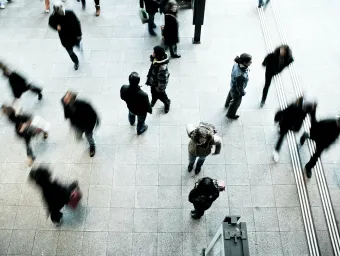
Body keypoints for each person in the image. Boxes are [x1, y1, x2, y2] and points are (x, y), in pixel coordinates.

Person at [273, 97, 316, 162]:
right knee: (282, 136)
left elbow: (313, 117)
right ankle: (276, 151)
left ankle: (280, 127)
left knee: (287, 132)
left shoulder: (311, 107)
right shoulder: (294, 106)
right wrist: (278, 119)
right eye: (305, 110)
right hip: (286, 122)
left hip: (295, 124)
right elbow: (284, 112)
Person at [300, 112, 340, 178]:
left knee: (316, 156)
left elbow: (334, 137)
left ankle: (308, 166)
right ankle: (305, 135)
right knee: (311, 138)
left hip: (323, 143)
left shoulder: (338, 128)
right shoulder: (329, 122)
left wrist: (327, 145)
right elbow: (317, 126)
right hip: (318, 136)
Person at [61, 91, 99, 157]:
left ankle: (92, 146)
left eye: (67, 98)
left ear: (73, 99)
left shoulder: (84, 104)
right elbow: (67, 113)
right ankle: (81, 137)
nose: (65, 99)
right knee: (78, 136)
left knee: (89, 136)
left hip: (87, 124)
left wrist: (94, 123)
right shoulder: (64, 102)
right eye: (65, 97)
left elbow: (93, 114)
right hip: (76, 125)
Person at [48, 2, 83, 70]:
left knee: (77, 44)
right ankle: (76, 62)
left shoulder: (70, 13)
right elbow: (50, 23)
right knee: (70, 52)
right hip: (65, 39)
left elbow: (77, 23)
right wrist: (56, 27)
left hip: (74, 36)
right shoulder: (53, 17)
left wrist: (79, 34)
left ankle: (78, 45)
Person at [225, 53, 252, 119]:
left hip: (232, 85)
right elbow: (239, 88)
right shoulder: (241, 75)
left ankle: (227, 104)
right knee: (236, 102)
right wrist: (243, 93)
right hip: (237, 90)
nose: (251, 62)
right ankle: (230, 114)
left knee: (230, 94)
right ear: (245, 62)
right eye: (250, 61)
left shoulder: (236, 64)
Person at [146, 45, 171, 113]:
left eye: (154, 53)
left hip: (159, 85)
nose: (152, 53)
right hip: (153, 81)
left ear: (158, 55)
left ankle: (167, 103)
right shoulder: (157, 60)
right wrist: (152, 56)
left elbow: (163, 81)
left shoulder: (162, 68)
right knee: (153, 92)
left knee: (162, 96)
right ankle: (154, 98)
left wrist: (159, 89)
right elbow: (153, 60)